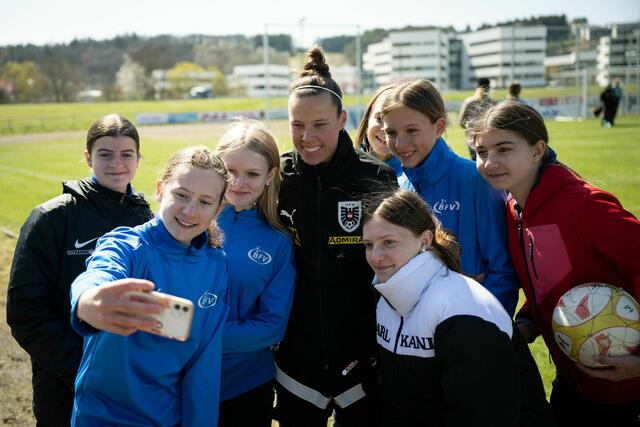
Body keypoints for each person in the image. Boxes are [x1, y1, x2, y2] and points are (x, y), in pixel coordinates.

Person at [471, 101, 640, 425]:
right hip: (573, 382)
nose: (489, 162)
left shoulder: (584, 206)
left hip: (625, 391)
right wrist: (528, 323)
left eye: (504, 149)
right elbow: (550, 280)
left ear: (537, 150)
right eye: (481, 152)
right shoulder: (513, 207)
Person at [274, 45, 397, 427]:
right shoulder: (278, 178)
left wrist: (369, 346)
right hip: (297, 360)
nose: (307, 137)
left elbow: (393, 266)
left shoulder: (374, 177)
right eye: (297, 125)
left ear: (342, 118)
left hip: (362, 357)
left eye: (319, 125)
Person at [6, 113, 153, 427]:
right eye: (105, 154)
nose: (117, 163)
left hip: (129, 380)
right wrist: (80, 365)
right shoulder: (50, 218)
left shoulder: (145, 219)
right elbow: (26, 311)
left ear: (138, 159)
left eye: (126, 154)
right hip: (63, 381)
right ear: (88, 157)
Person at [363, 189, 554, 426]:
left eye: (388, 242)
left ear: (425, 239)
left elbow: (482, 414)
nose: (376, 257)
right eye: (369, 245)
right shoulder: (384, 298)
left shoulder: (461, 310)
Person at [69, 146, 230, 426]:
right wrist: (87, 299)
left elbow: (203, 365)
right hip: (101, 416)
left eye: (205, 202)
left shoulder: (215, 266)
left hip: (165, 418)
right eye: (181, 195)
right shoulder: (128, 245)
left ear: (219, 208)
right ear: (159, 189)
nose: (190, 210)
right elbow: (101, 271)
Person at [380, 79, 519, 315]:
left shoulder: (476, 179)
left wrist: (479, 323)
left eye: (411, 130)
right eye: (391, 133)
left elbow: (503, 270)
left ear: (439, 126)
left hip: (468, 329)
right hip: (415, 335)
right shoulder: (397, 184)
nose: (400, 143)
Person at [215, 119, 296, 427]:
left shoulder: (277, 242)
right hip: (180, 377)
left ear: (270, 176)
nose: (238, 182)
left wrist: (201, 336)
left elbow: (273, 326)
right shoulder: (187, 224)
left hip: (246, 385)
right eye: (230, 171)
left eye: (252, 174)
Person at [354, 84, 413, 190]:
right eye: (380, 118)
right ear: (367, 120)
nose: (385, 129)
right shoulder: (347, 166)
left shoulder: (414, 172)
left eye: (397, 121)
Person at [459, 77, 496, 159]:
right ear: (489, 87)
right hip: (489, 140)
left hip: (472, 139)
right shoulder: (493, 103)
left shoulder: (468, 102)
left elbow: (461, 122)